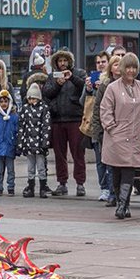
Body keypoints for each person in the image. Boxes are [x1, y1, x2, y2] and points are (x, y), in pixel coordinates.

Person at [100, 52, 140, 220]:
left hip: (136, 136)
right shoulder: (112, 88)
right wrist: (111, 127)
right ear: (122, 68)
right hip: (116, 136)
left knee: (129, 170)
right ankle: (122, 202)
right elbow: (105, 110)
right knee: (116, 171)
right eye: (128, 67)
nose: (131, 71)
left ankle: (123, 205)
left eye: (134, 67)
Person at [41, 49, 87, 197]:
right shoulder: (51, 77)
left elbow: (84, 87)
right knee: (59, 154)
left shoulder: (79, 73)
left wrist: (71, 77)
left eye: (65, 61)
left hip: (75, 118)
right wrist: (58, 84)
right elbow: (46, 93)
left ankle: (80, 183)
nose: (62, 64)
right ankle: (62, 183)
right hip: (57, 119)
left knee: (78, 153)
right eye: (60, 61)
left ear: (69, 62)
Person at [88, 54, 123, 203]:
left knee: (119, 165)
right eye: (115, 64)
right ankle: (111, 193)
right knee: (106, 164)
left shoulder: (129, 84)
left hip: (122, 129)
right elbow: (97, 110)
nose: (118, 67)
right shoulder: (105, 85)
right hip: (106, 129)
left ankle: (120, 193)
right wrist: (98, 132)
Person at [17, 82, 52, 198]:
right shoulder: (25, 109)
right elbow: (21, 126)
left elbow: (46, 127)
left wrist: (45, 143)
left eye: (32, 98)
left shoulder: (44, 109)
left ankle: (42, 187)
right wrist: (21, 142)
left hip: (39, 144)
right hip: (29, 143)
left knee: (41, 167)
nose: (30, 100)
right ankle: (31, 187)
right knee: (30, 167)